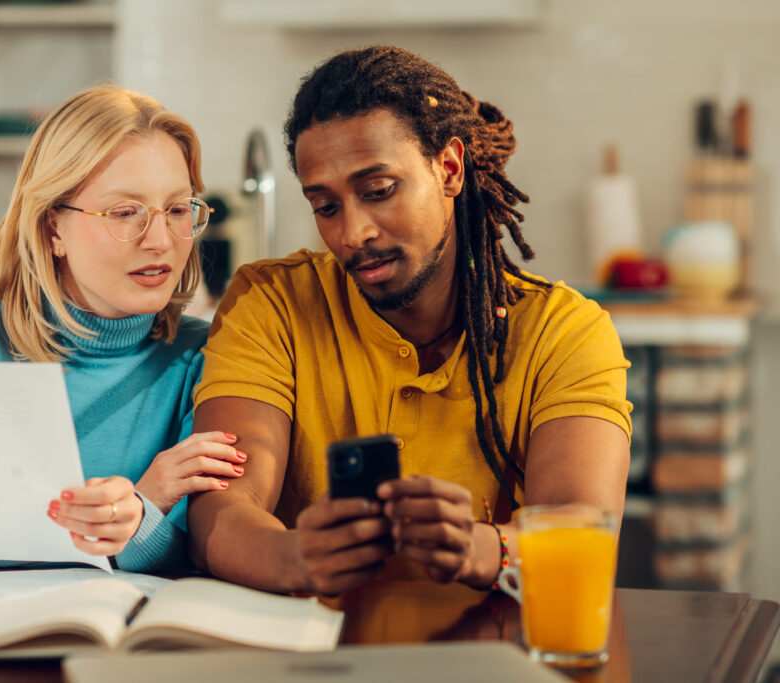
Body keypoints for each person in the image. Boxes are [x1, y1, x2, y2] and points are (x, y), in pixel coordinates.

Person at [187, 46, 631, 597]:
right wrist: (292, 557)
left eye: (378, 192)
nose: (354, 233)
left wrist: (479, 547)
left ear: (448, 168)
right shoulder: (272, 303)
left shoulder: (564, 332)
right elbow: (222, 505)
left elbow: (584, 530)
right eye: (326, 206)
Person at [0, 85, 245, 570]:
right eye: (125, 213)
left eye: (176, 210)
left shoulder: (201, 357)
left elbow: (195, 558)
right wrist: (131, 515)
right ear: (52, 228)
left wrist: (136, 521)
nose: (160, 240)